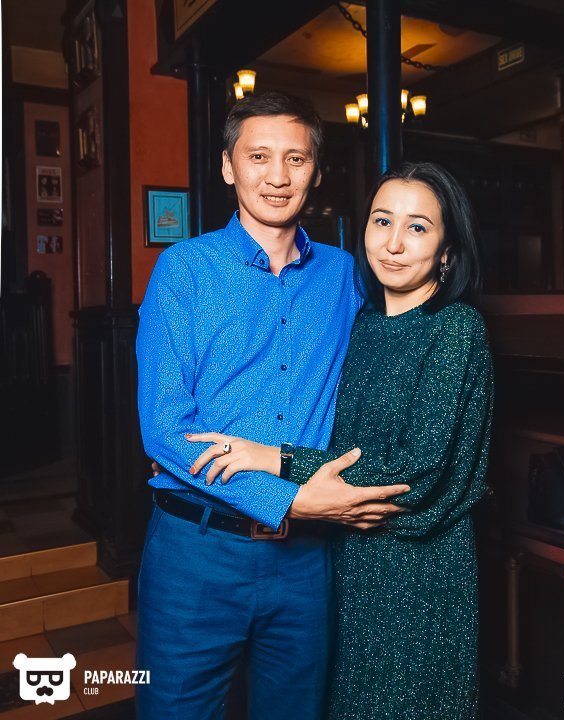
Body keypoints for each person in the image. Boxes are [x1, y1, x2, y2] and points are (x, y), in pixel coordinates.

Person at [135, 91, 410, 720]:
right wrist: (290, 499)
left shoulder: (347, 275)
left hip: (307, 562)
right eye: (259, 156)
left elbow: (393, 360)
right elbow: (164, 429)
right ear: (228, 166)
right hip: (197, 551)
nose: (278, 176)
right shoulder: (184, 270)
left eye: (296, 158)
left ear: (316, 172)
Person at [186, 162, 494, 719]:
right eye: (382, 220)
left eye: (418, 227)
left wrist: (274, 459)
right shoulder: (363, 323)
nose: (394, 243)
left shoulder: (456, 328)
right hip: (346, 554)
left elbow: (414, 470)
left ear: (448, 250)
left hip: (417, 568)